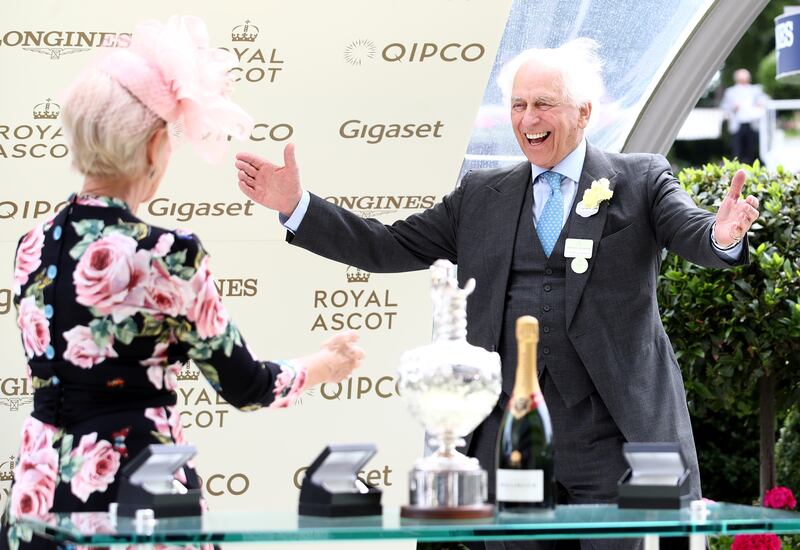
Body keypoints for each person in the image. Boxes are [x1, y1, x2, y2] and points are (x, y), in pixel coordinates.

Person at [235, 38, 760, 550]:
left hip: (612, 433)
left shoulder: (640, 179)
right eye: (518, 105)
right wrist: (299, 206)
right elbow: (387, 245)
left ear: (584, 112)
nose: (528, 120)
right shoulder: (480, 195)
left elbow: (693, 231)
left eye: (544, 105)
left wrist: (723, 235)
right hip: (507, 439)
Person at [1, 16, 364, 550]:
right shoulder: (167, 254)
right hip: (135, 501)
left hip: (37, 497)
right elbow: (246, 385)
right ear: (152, 145)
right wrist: (324, 366)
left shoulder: (31, 245)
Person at [720, 68, 768, 164]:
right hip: (737, 126)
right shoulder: (731, 92)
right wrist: (733, 107)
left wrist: (760, 104)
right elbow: (724, 107)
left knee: (750, 150)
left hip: (751, 124)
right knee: (737, 151)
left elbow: (764, 100)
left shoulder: (755, 90)